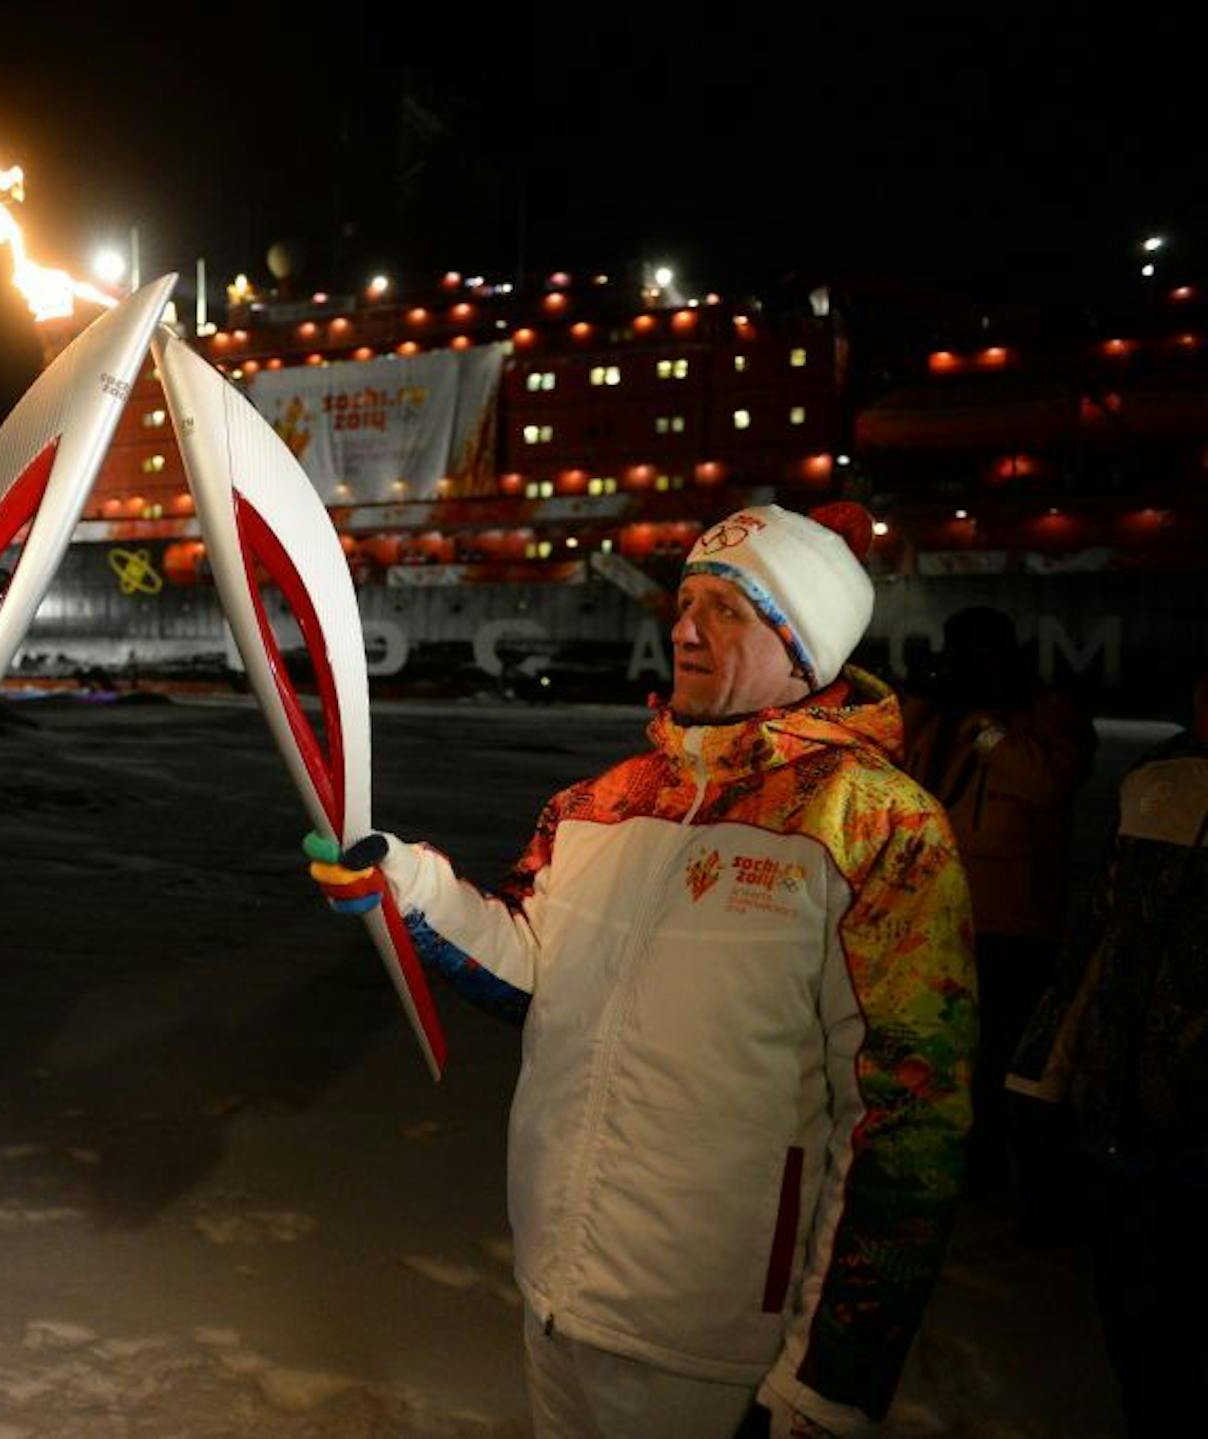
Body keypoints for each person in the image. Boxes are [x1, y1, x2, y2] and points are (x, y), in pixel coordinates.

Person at [310, 502, 976, 1438]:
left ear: (803, 645)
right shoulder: (600, 803)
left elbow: (907, 1123)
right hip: (559, 1294)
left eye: (728, 609)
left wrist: (832, 1381)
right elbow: (534, 967)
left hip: (719, 1346)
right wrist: (408, 885)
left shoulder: (874, 828)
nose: (685, 627)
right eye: (686, 599)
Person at [1007, 671, 1207, 1436]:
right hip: (1125, 1103)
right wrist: (1049, 1064)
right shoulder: (1158, 782)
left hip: (1166, 1109)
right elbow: (1105, 937)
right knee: (1136, 1301)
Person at [901, 605, 1094, 1196]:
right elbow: (893, 764)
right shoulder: (943, 716)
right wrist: (923, 698)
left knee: (1002, 1058)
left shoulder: (1045, 715)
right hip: (941, 916)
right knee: (940, 1054)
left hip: (1016, 919)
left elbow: (1046, 786)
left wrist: (984, 727)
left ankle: (1004, 1177)